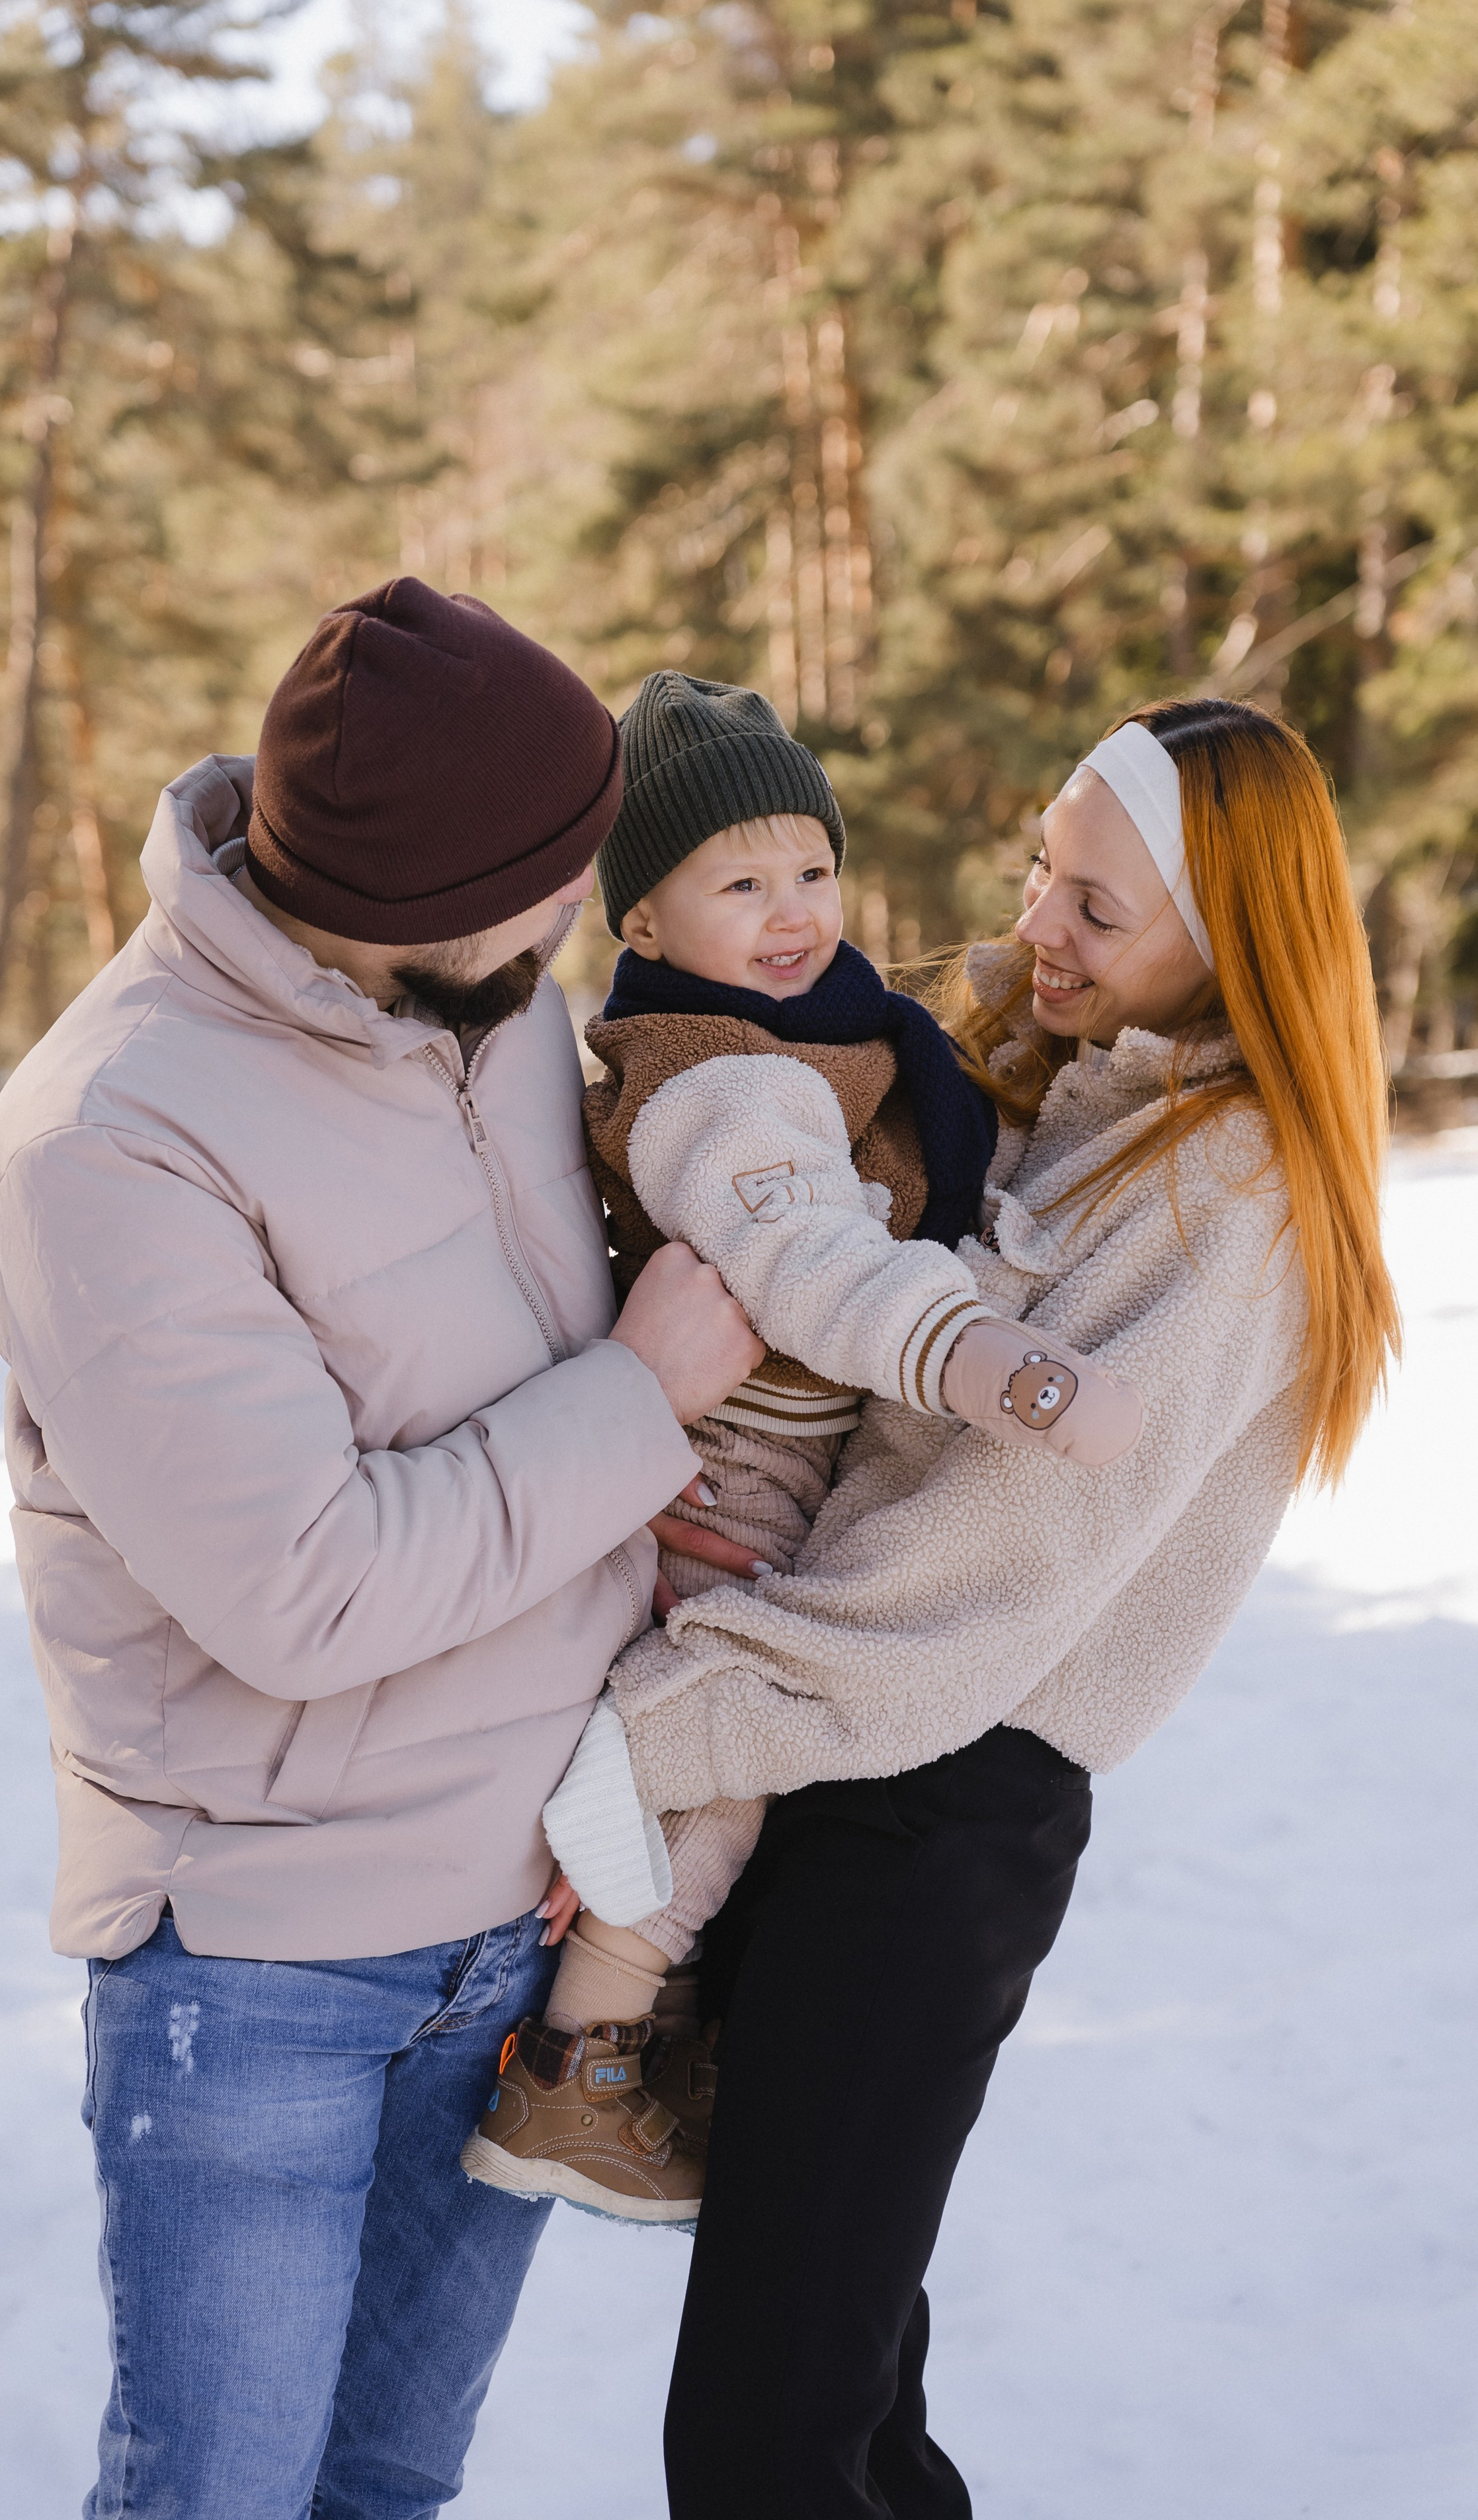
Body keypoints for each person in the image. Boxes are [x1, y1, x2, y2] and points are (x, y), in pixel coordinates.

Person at [0, 579, 760, 2520]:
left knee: (391, 2483)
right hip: (262, 1968)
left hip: (522, 1917)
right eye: (555, 883)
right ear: (413, 909)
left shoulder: (491, 1003)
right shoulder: (115, 1132)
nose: (580, 911)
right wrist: (644, 1397)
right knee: (223, 2503)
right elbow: (306, 1591)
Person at [578, 697, 1395, 2516]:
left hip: (934, 1801)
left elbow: (979, 1564)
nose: (1039, 925)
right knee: (846, 2406)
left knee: (770, 2437)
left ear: (1227, 940)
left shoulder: (1233, 1185)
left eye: (1098, 909)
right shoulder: (1060, 1088)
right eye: (1045, 869)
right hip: (849, 1758)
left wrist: (647, 1733)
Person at [461, 673, 1141, 2226]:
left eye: (811, 872)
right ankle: (584, 2062)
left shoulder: (824, 1032)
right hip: (728, 1485)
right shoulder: (717, 1077)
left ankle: (646, 2013)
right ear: (638, 925)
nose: (790, 913)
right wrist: (989, 1360)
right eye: (739, 883)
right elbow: (806, 1261)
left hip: (766, 1465)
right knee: (735, 1758)